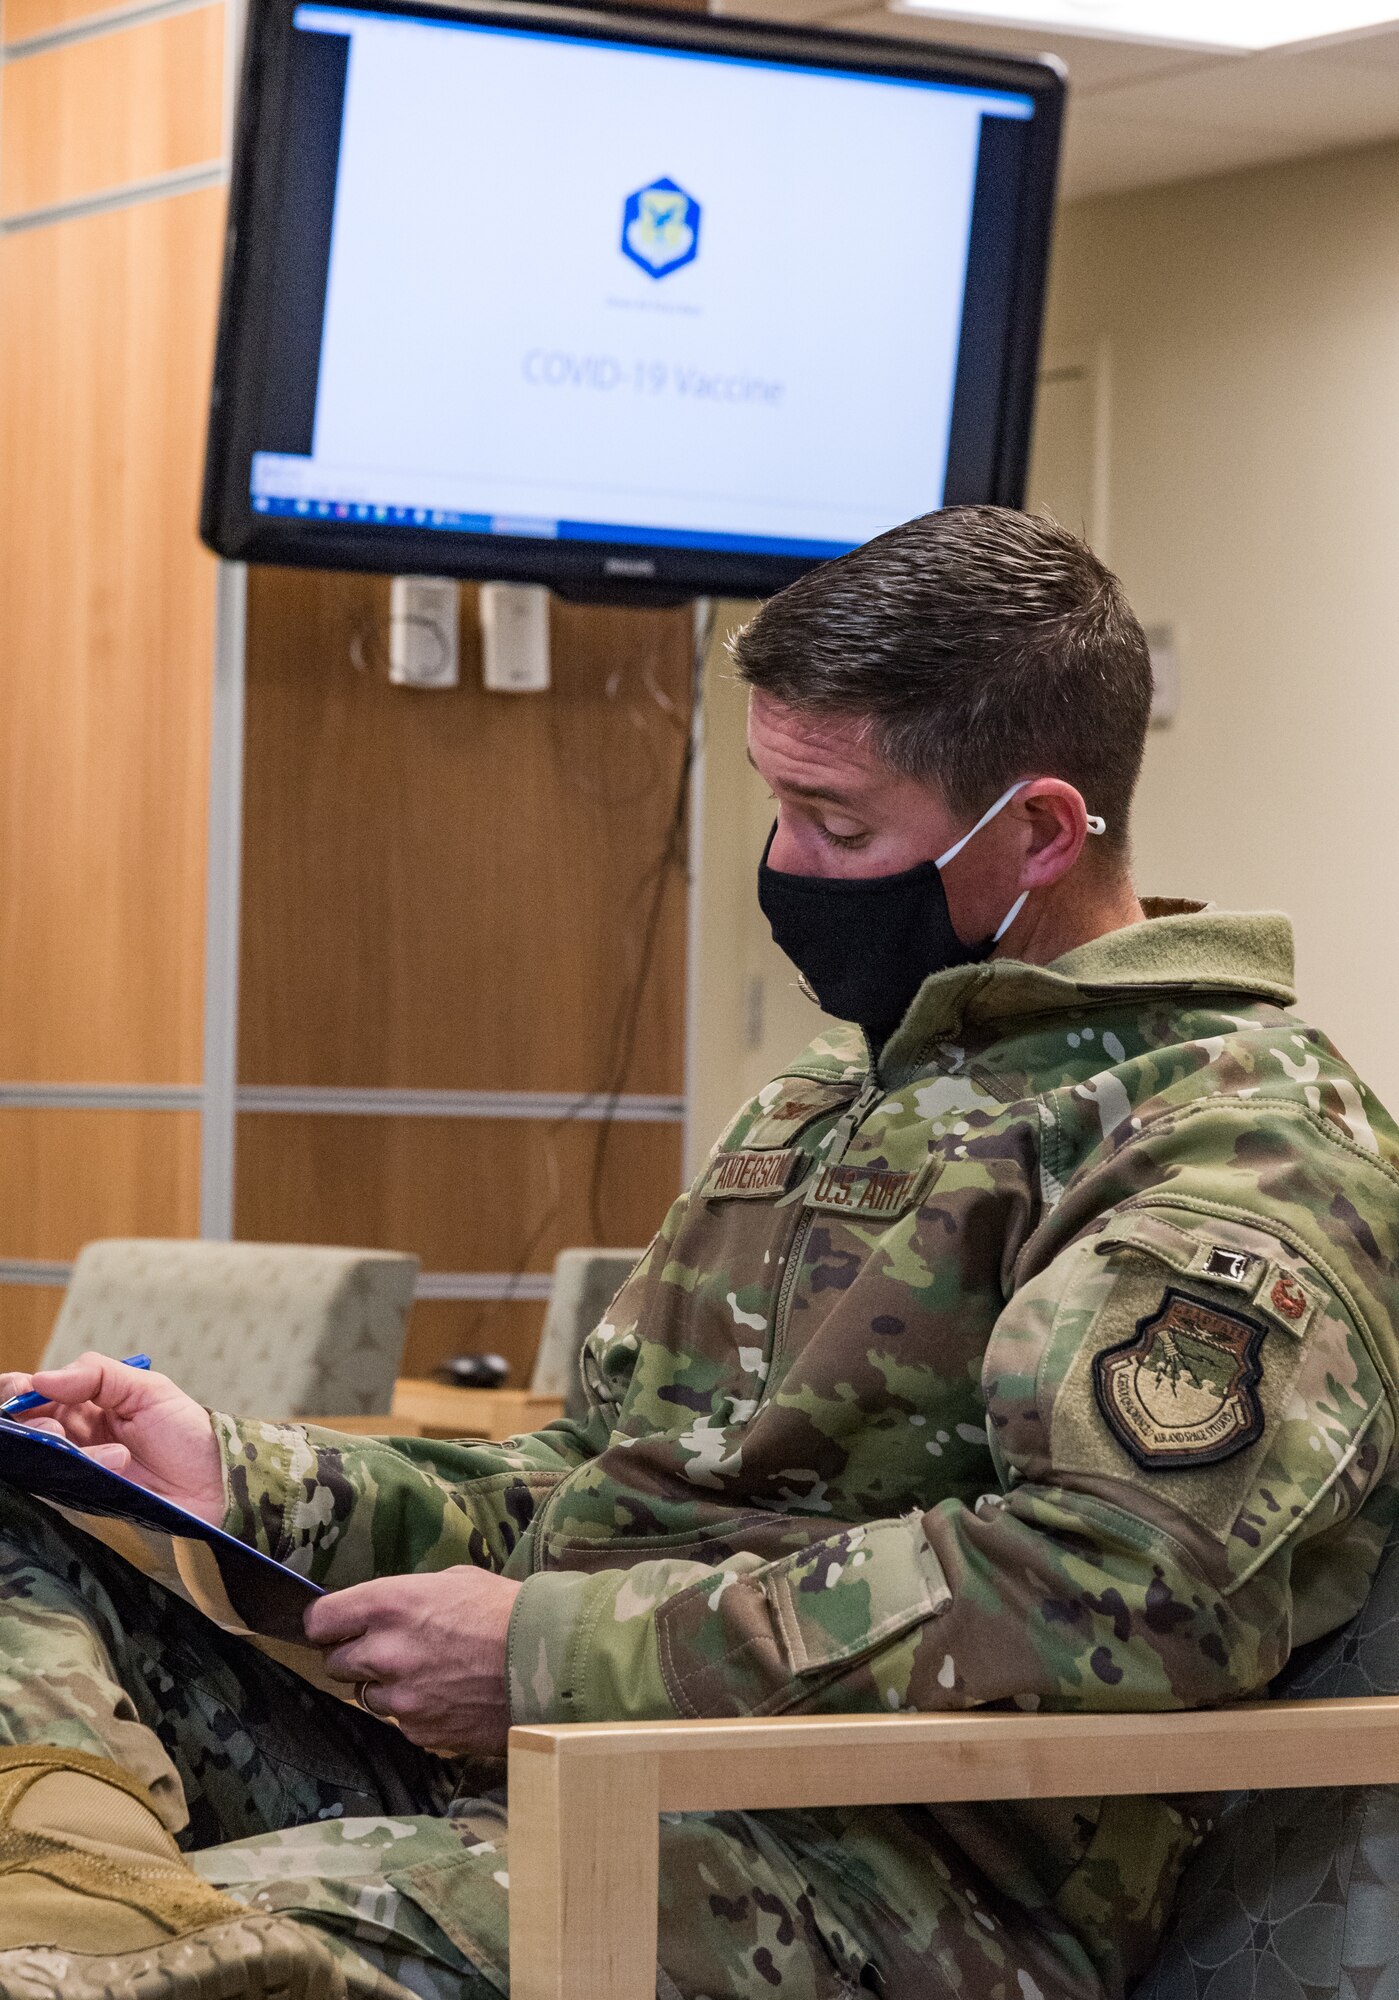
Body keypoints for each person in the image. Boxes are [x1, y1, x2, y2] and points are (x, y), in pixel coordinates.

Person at [3, 505, 1397, 2000]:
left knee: (160, 1966)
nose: (789, 864)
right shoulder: (835, 1093)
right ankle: (77, 1894)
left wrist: (552, 1651)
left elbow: (1127, 1591)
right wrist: (246, 1476)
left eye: (842, 827)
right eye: (776, 807)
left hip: (885, 1882)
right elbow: (598, 1490)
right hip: (569, 1782)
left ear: (1044, 830)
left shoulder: (1232, 1139)